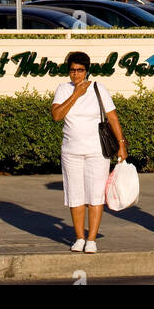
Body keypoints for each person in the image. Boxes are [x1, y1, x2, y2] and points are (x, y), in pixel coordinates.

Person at [51, 51, 127, 253]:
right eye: (73, 70)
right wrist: (75, 95)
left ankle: (91, 239)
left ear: (87, 71)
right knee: (75, 195)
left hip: (97, 151)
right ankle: (79, 237)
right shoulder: (63, 89)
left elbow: (112, 117)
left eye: (80, 70)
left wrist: (121, 143)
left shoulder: (98, 88)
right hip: (71, 151)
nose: (76, 74)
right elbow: (57, 116)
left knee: (95, 195)